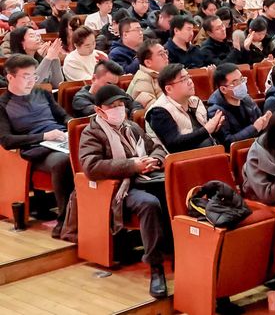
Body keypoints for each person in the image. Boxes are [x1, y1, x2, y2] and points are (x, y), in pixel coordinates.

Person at [78, 84, 169, 299]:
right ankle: (156, 267)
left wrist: (155, 160)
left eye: (121, 105)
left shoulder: (131, 126)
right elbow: (91, 167)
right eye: (112, 106)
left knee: (173, 191)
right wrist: (132, 165)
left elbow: (156, 147)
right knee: (149, 204)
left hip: (145, 178)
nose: (119, 109)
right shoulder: (91, 133)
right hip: (118, 188)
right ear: (99, 110)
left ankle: (177, 251)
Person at [0, 55, 74, 238]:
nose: (31, 81)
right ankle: (65, 221)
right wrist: (44, 136)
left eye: (33, 76)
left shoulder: (42, 94)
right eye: (26, 76)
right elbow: (6, 140)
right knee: (63, 161)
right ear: (10, 77)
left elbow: (63, 116)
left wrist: (72, 126)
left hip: (59, 139)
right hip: (34, 149)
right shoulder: (3, 104)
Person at [146, 64, 224, 153]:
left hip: (210, 152)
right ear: (169, 89)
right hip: (185, 160)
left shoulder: (195, 101)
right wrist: (207, 130)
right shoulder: (158, 112)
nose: (190, 81)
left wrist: (214, 129)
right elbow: (173, 145)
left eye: (188, 77)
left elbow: (204, 134)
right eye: (183, 79)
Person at [207, 63, 272, 149]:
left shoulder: (247, 99)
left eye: (241, 79)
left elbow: (259, 123)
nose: (241, 84)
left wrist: (264, 125)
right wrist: (254, 128)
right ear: (223, 89)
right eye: (235, 82)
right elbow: (227, 142)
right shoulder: (216, 111)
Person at [72, 60, 137, 117]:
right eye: (108, 83)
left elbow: (135, 104)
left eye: (114, 84)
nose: (111, 88)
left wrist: (133, 113)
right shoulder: (80, 99)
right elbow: (102, 113)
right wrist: (125, 111)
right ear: (94, 79)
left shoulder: (116, 91)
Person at [127, 40, 169, 108]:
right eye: (161, 54)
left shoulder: (166, 74)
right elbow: (154, 108)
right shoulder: (142, 80)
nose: (166, 56)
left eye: (165, 52)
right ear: (148, 63)